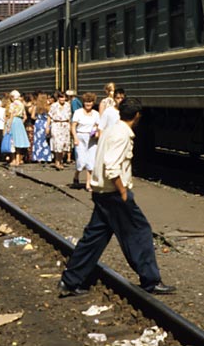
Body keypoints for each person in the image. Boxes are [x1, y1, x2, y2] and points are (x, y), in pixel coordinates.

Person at [58, 98, 176, 296]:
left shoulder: (111, 129)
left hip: (101, 193)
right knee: (140, 232)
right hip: (114, 194)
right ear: (137, 116)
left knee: (94, 238)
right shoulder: (122, 134)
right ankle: (151, 280)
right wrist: (123, 192)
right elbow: (112, 168)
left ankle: (69, 282)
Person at [71, 92, 100, 191]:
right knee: (81, 161)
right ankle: (76, 175)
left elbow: (98, 125)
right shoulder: (78, 112)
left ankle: (88, 183)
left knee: (90, 161)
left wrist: (96, 132)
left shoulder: (96, 114)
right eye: (87, 102)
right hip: (80, 136)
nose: (88, 104)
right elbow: (73, 126)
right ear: (83, 102)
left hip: (91, 138)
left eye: (90, 102)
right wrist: (75, 138)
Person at [5, 90, 30, 166]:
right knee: (18, 142)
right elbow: (25, 117)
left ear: (12, 97)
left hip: (13, 121)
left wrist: (9, 125)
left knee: (12, 141)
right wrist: (20, 122)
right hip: (19, 121)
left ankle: (13, 160)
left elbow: (11, 115)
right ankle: (18, 160)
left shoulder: (12, 104)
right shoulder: (21, 104)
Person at [49, 91, 72, 169]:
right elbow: (50, 116)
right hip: (56, 125)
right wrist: (47, 127)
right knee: (58, 143)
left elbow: (69, 117)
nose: (62, 99)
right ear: (58, 98)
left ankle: (60, 160)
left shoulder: (68, 105)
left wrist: (71, 127)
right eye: (61, 97)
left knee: (64, 145)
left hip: (65, 125)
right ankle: (57, 161)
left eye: (64, 97)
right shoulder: (53, 105)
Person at [30, 92, 52, 163]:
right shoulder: (48, 107)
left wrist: (38, 118)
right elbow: (50, 116)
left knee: (37, 141)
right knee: (45, 141)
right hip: (45, 123)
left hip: (38, 124)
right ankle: (46, 157)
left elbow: (32, 116)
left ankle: (38, 157)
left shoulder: (36, 107)